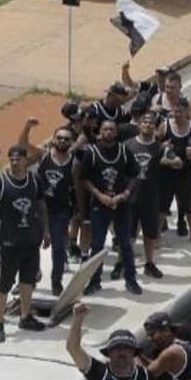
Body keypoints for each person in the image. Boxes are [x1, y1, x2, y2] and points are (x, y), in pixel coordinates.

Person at [0, 143, 50, 343]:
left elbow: (41, 205)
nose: (14, 162)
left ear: (26, 160)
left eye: (18, 158)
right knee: (4, 283)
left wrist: (45, 230)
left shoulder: (34, 180)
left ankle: (25, 316)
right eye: (11, 158)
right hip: (9, 243)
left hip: (31, 241)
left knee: (28, 281)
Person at [81, 119, 144, 296]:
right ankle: (95, 281)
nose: (108, 132)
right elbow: (84, 179)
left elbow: (134, 174)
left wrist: (124, 194)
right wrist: (100, 196)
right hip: (100, 204)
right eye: (105, 129)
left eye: (112, 129)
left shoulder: (124, 151)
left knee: (125, 243)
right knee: (97, 245)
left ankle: (131, 280)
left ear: (116, 132)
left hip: (121, 203)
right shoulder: (91, 153)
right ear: (100, 131)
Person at [22, 122, 82, 296]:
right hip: (37, 210)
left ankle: (56, 281)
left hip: (60, 211)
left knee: (58, 248)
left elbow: (79, 187)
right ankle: (31, 276)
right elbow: (24, 144)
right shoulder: (44, 156)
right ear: (54, 139)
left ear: (71, 142)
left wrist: (79, 211)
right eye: (59, 138)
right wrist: (27, 127)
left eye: (66, 139)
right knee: (31, 246)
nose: (62, 141)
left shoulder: (74, 163)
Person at [123, 112, 171, 280]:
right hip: (130, 196)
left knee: (150, 234)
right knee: (129, 234)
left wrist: (174, 160)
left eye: (151, 123)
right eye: (145, 122)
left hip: (151, 196)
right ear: (139, 125)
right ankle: (126, 264)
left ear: (155, 127)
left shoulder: (160, 147)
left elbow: (174, 160)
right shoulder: (127, 145)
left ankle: (149, 264)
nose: (148, 125)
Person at [156, 100, 191, 245]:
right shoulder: (165, 126)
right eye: (175, 111)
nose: (177, 115)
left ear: (186, 112)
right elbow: (153, 144)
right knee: (162, 207)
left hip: (186, 173)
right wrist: (162, 147)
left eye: (180, 112)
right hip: (167, 173)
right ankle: (157, 236)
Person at [142, 311, 191, 380]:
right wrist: (139, 355)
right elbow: (157, 363)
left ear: (166, 331)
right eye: (148, 335)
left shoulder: (172, 352)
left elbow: (144, 377)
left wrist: (132, 353)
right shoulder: (179, 343)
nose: (149, 339)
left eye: (152, 334)